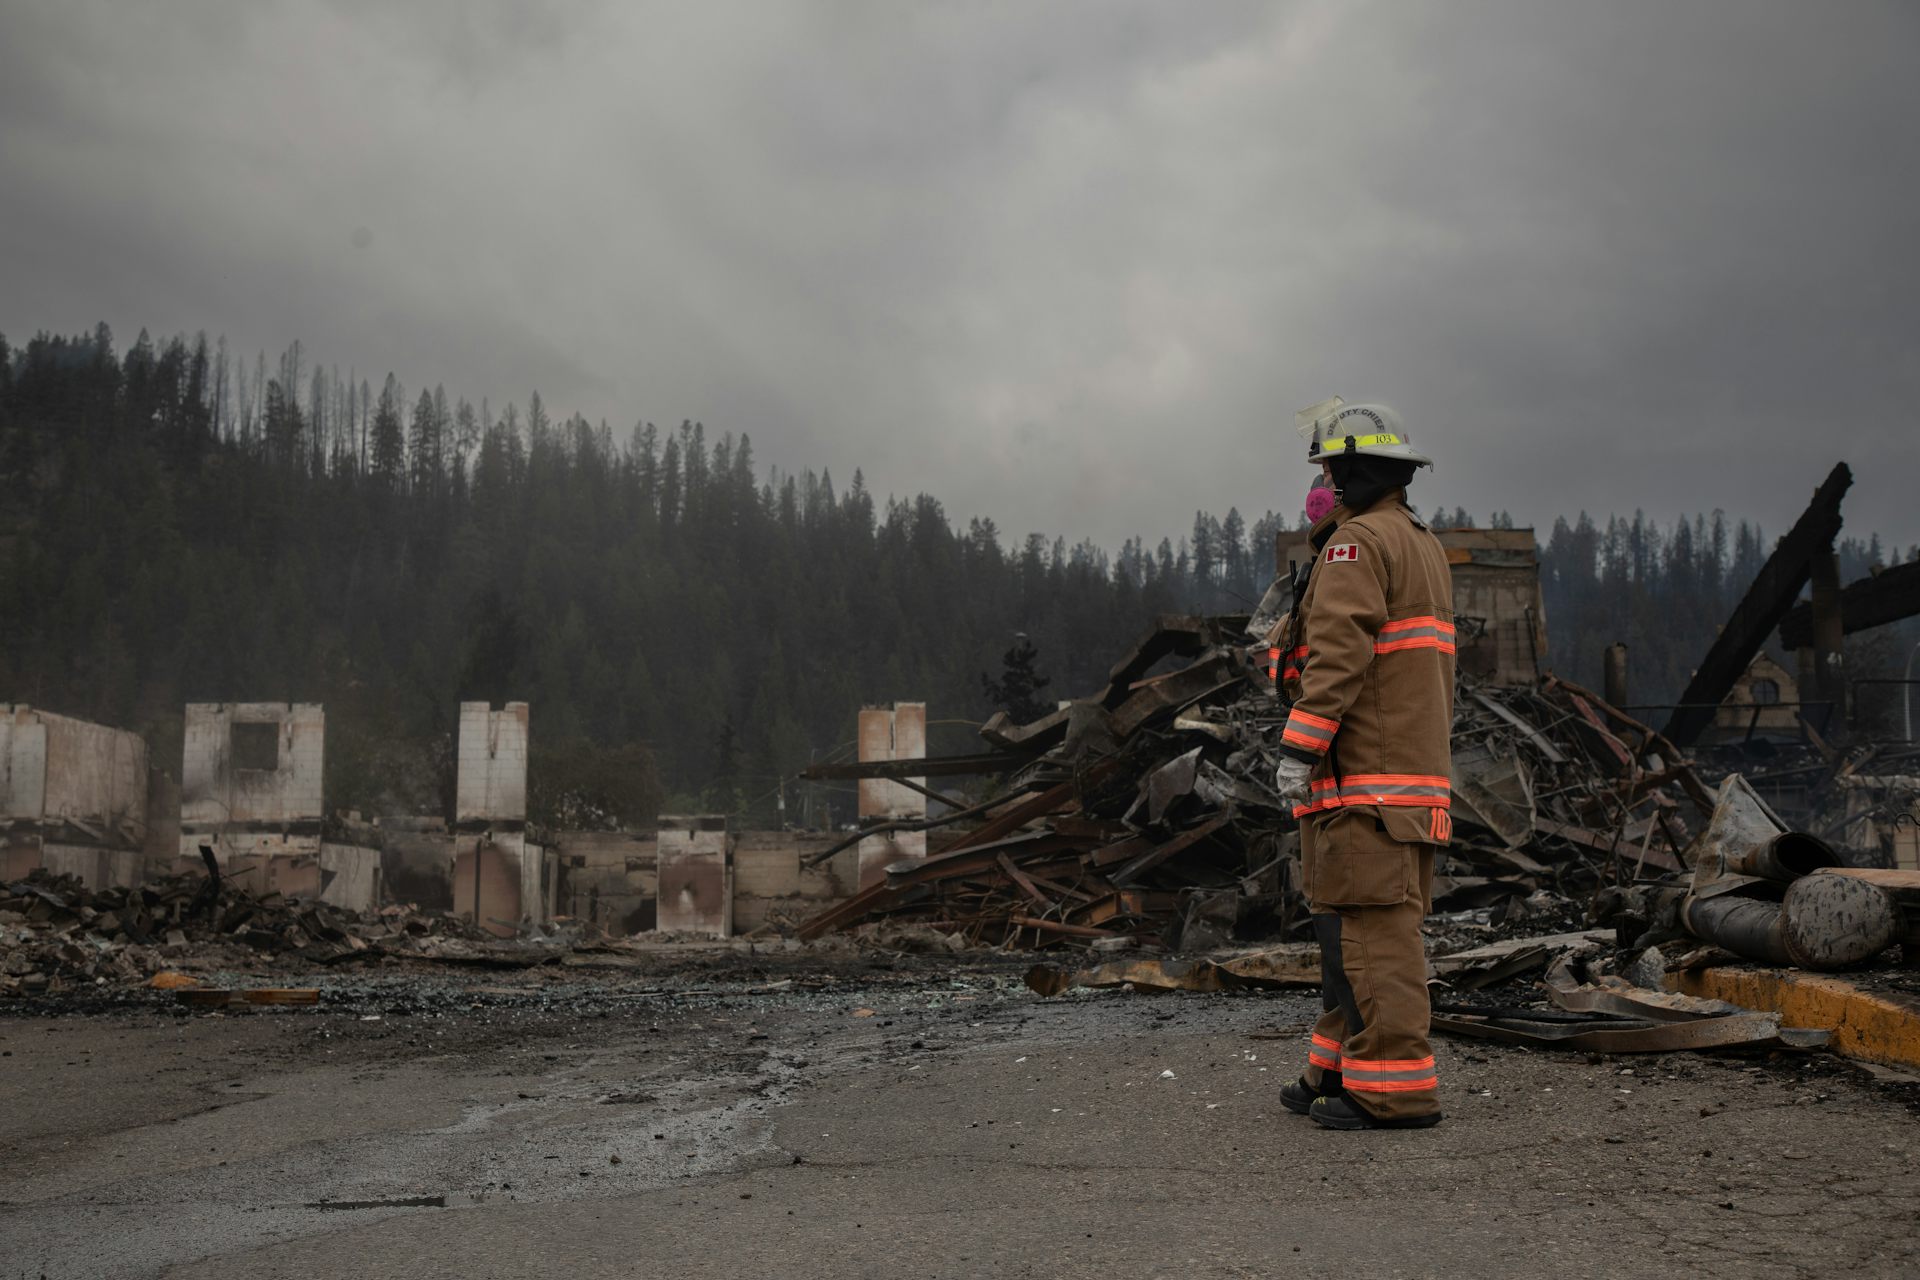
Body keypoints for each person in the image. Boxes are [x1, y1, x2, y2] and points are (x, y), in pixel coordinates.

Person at [1266, 398, 1455, 1130]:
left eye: (1328, 473)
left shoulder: (1354, 547)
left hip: (1363, 787)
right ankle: (1334, 1072)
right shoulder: (1418, 542)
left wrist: (1297, 748)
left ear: (1345, 474)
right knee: (1355, 939)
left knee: (1374, 940)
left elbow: (1339, 658)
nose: (1324, 488)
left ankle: (1393, 1092)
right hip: (1402, 782)